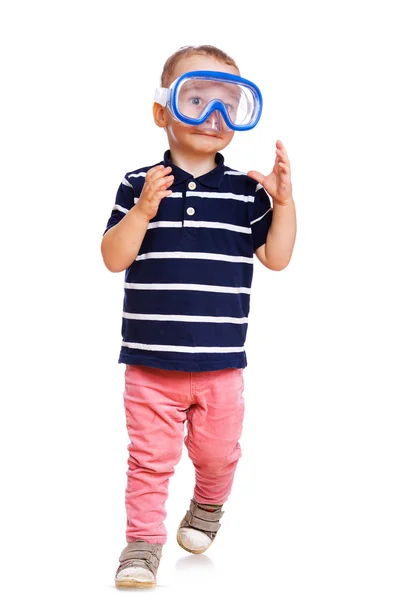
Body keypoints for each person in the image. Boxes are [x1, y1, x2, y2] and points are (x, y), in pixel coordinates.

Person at [101, 45, 297, 589]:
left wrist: (283, 204)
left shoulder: (244, 193)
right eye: (196, 99)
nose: (213, 116)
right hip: (149, 365)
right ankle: (141, 546)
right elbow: (113, 258)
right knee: (149, 461)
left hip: (220, 368)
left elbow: (277, 258)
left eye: (227, 104)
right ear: (163, 111)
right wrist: (142, 210)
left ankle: (208, 504)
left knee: (217, 454)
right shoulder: (137, 184)